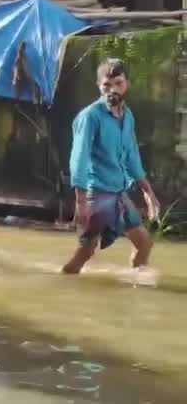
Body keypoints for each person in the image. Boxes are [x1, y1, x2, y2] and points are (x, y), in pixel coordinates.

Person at [62, 59, 159, 274]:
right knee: (86, 251)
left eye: (118, 83)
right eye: (107, 85)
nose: (112, 89)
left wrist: (147, 191)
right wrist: (80, 201)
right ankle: (64, 282)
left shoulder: (128, 117)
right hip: (95, 194)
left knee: (144, 244)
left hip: (118, 193)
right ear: (99, 85)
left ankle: (135, 287)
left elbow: (132, 156)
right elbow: (79, 157)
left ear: (127, 85)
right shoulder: (89, 117)